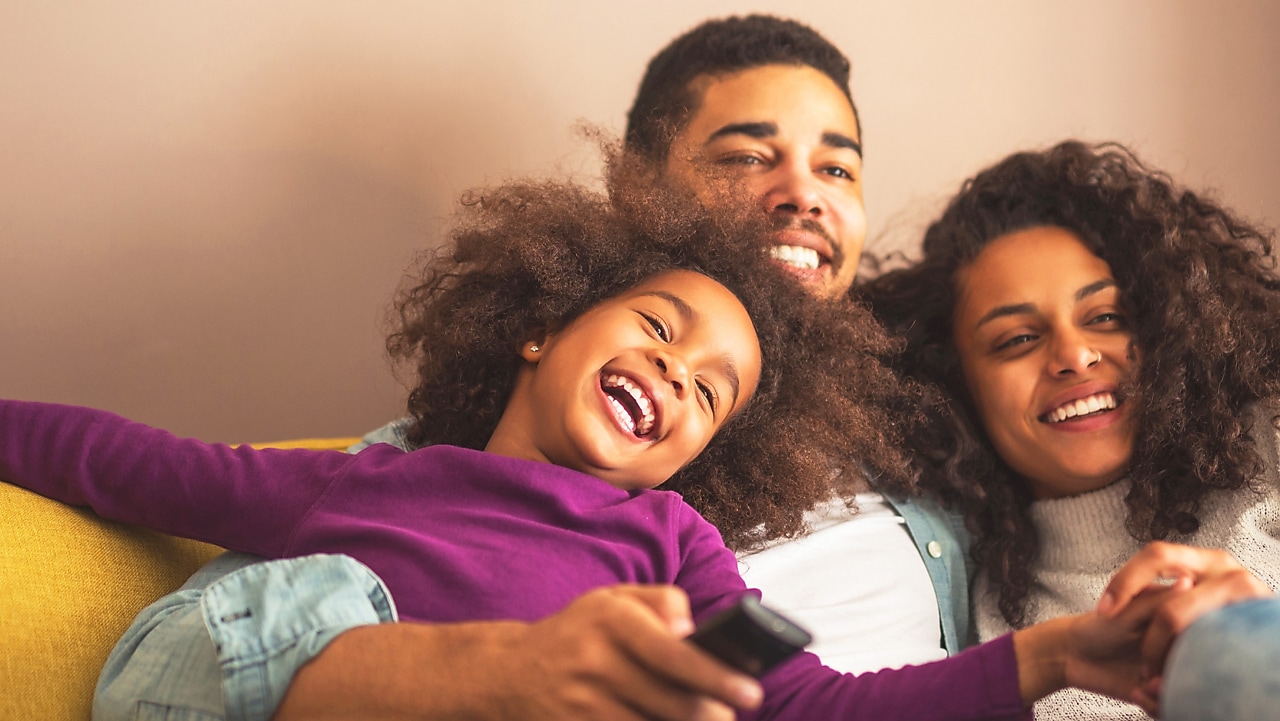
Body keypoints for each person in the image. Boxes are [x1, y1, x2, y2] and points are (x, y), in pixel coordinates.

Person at [89, 15, 1245, 721]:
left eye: (837, 168)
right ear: (640, 196)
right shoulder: (507, 459)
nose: (803, 191)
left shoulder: (942, 418)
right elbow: (184, 662)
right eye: (748, 154)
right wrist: (503, 675)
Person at [2, 174, 1172, 721]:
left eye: (708, 393)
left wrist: (1057, 654)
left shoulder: (670, 544)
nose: (675, 372)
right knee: (318, 589)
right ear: (537, 325)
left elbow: (812, 702)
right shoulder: (375, 478)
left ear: (689, 463)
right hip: (291, 693)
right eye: (659, 330)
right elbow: (122, 460)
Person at [863, 139, 1280, 720]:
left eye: (1106, 318)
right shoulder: (997, 634)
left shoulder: (1271, 437)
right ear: (953, 390)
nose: (1074, 356)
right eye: (1016, 340)